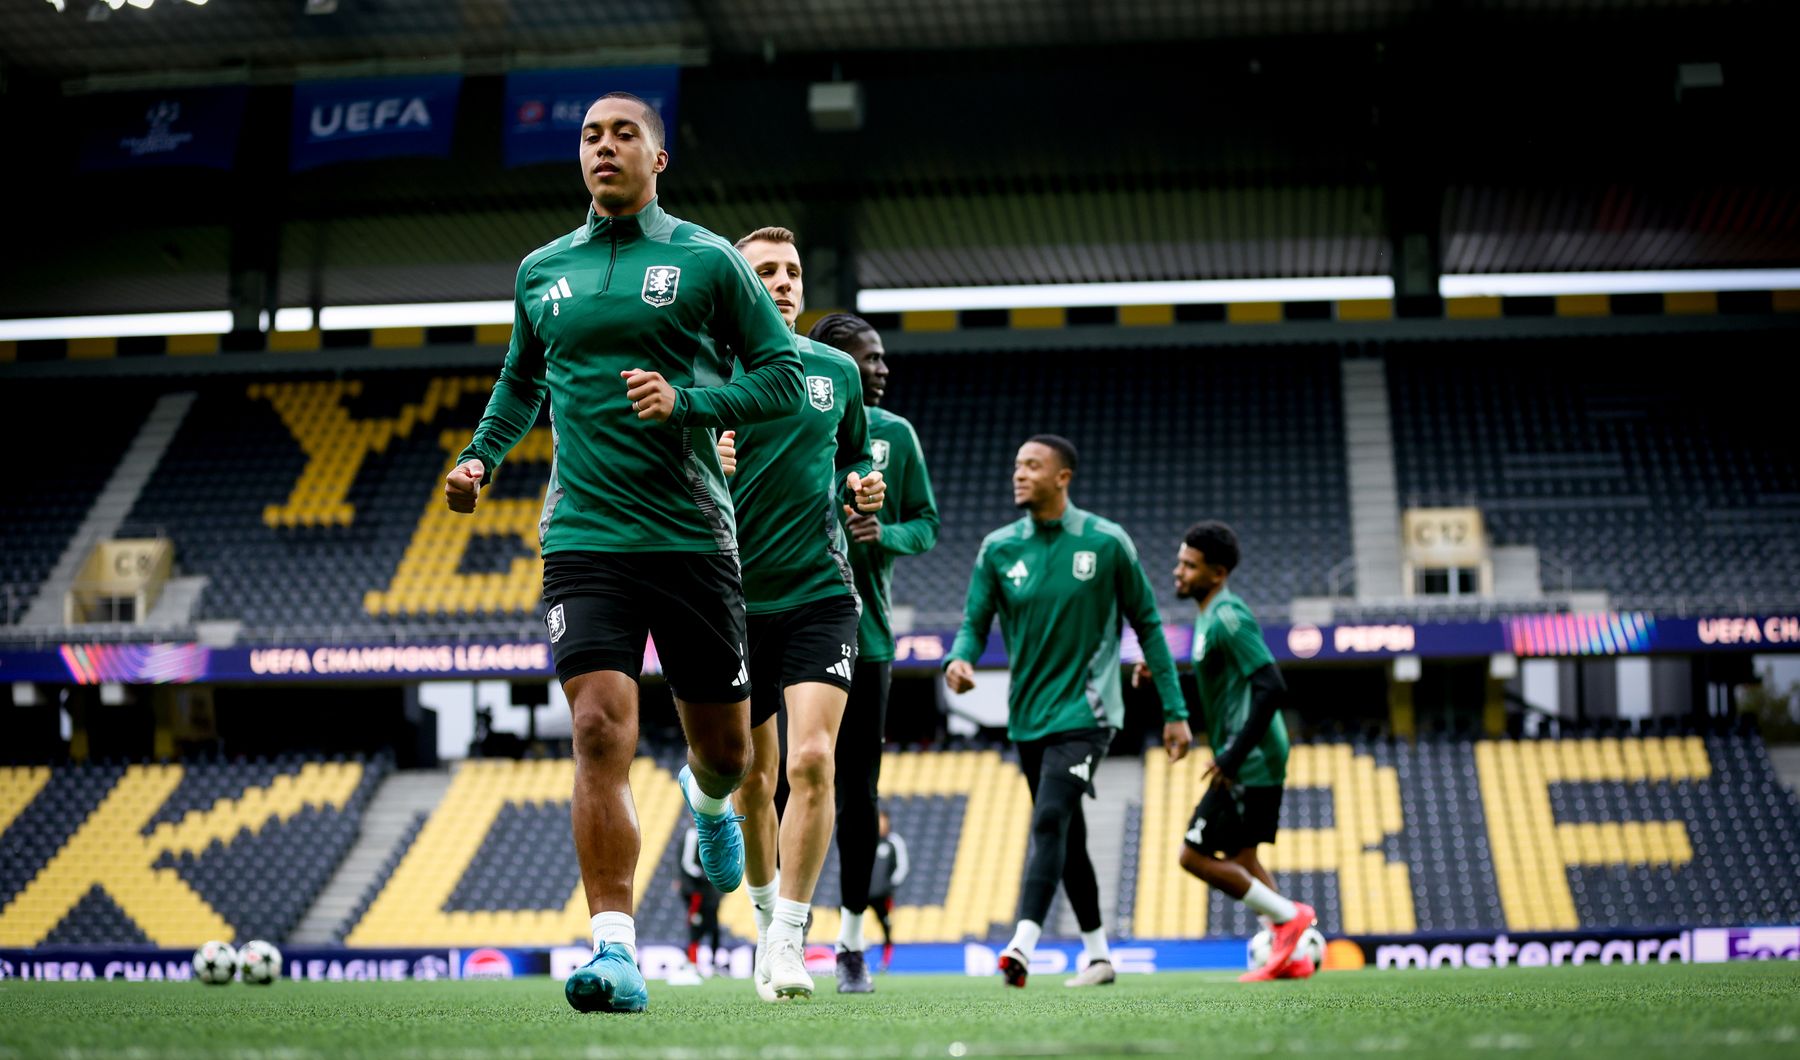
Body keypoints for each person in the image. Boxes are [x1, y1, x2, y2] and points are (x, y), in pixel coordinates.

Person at [444, 92, 805, 1014]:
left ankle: (711, 801)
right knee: (601, 728)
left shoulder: (706, 261)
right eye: (590, 136)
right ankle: (615, 951)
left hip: (691, 537)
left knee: (727, 753)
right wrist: (484, 454)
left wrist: (688, 404)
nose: (604, 147)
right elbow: (523, 378)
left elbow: (782, 378)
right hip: (584, 537)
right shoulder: (541, 271)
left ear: (659, 156)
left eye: (623, 135)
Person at [943, 435, 1191, 989]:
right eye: (1016, 465)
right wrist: (960, 658)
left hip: (1089, 711)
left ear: (1064, 477)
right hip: (1028, 716)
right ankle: (1099, 957)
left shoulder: (1106, 542)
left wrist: (1174, 710)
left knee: (1050, 818)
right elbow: (974, 623)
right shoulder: (998, 549)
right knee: (1068, 836)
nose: (1019, 474)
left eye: (1032, 465)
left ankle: (1021, 944)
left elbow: (1148, 623)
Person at [725, 226, 885, 1002]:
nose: (783, 281)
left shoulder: (835, 373)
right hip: (727, 604)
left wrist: (863, 484)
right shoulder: (704, 371)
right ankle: (762, 926)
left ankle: (789, 940)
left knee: (811, 762)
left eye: (791, 270)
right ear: (737, 284)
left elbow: (855, 452)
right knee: (751, 783)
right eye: (764, 271)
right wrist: (701, 454)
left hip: (822, 595)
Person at [806, 311, 938, 993]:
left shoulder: (895, 437)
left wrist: (882, 533)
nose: (882, 369)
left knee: (857, 791)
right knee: (779, 781)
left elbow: (927, 524)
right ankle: (785, 932)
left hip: (868, 635)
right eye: (868, 358)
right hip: (787, 620)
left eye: (884, 358)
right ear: (832, 364)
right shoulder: (790, 415)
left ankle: (851, 942)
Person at [1138, 520, 1315, 982]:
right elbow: (1217, 686)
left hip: (1250, 759)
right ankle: (1292, 955)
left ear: (1216, 573)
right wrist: (1165, 678)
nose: (1177, 572)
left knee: (1192, 856)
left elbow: (1271, 685)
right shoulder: (1209, 616)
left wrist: (1233, 756)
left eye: (1189, 566)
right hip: (1248, 754)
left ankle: (1291, 918)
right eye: (1179, 561)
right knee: (1242, 859)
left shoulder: (1230, 616)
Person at [671, 826, 722, 985]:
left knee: (713, 927)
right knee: (695, 926)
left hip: (707, 891)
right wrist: (705, 875)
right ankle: (692, 963)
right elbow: (687, 863)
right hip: (696, 891)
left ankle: (710, 964)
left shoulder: (704, 834)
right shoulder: (692, 834)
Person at [866, 807, 910, 972]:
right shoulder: (869, 840)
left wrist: (889, 886)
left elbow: (902, 866)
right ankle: (856, 947)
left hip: (883, 895)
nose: (880, 823)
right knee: (844, 908)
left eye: (883, 820)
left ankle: (885, 962)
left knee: (886, 928)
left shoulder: (894, 842)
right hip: (866, 893)